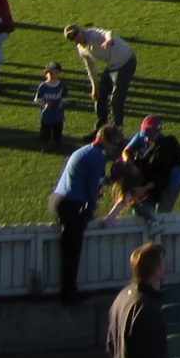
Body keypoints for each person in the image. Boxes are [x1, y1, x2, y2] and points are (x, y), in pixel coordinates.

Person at [53, 126, 119, 303]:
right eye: (114, 144)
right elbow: (91, 189)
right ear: (105, 140)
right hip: (72, 205)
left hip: (61, 200)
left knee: (69, 250)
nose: (114, 148)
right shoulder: (97, 157)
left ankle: (68, 292)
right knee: (72, 253)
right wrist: (91, 211)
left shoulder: (84, 151)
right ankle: (68, 295)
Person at [66, 25, 139, 130]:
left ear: (81, 30)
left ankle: (117, 127)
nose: (76, 38)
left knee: (117, 97)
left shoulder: (92, 34)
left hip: (126, 61)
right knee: (100, 95)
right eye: (72, 38)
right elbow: (90, 68)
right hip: (112, 65)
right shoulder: (82, 49)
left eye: (76, 34)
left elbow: (107, 33)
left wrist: (108, 40)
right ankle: (101, 127)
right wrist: (94, 88)